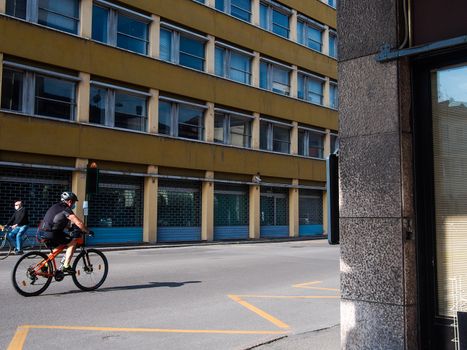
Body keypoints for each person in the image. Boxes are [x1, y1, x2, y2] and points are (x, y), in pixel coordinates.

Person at [41, 192, 90, 273]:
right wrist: (88, 231)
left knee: (62, 244)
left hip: (43, 232)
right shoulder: (66, 209)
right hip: (53, 233)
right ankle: (66, 266)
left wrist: (69, 228)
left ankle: (45, 264)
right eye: (74, 202)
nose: (74, 204)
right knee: (72, 242)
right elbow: (79, 223)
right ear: (70, 201)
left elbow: (57, 220)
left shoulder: (56, 206)